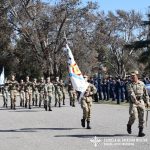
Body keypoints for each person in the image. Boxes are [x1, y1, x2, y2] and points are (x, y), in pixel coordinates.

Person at [127, 70, 150, 137]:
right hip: (133, 102)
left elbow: (146, 94)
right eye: (132, 76)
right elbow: (131, 93)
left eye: (134, 76)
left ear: (137, 76)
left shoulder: (142, 83)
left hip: (141, 101)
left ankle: (140, 132)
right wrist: (135, 100)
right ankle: (129, 125)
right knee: (134, 116)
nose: (132, 77)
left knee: (142, 116)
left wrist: (148, 101)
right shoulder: (129, 84)